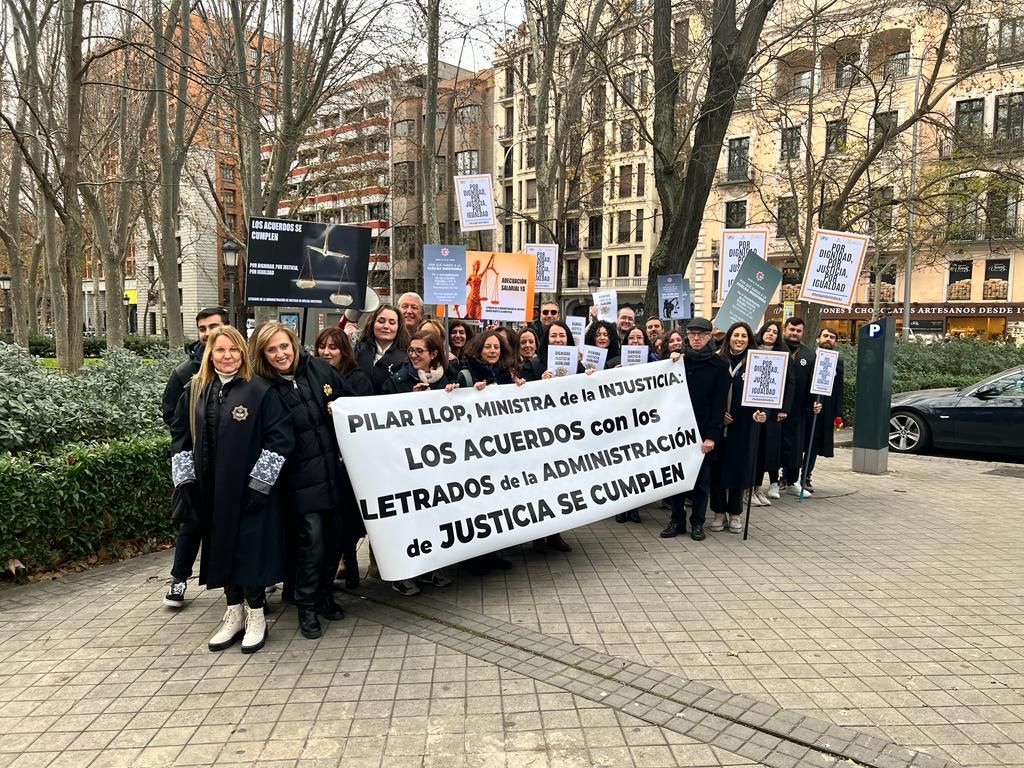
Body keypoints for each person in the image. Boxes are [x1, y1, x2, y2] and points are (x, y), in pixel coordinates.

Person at [170, 326, 294, 653]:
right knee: (221, 549)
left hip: (251, 492)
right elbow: (180, 437)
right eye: (220, 350)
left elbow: (280, 441)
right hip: (211, 492)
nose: (227, 356)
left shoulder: (261, 391)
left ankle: (256, 615)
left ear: (243, 353)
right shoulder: (195, 390)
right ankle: (233, 611)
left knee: (249, 552)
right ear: (210, 353)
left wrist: (260, 484)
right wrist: (184, 480)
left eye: (234, 350)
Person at [251, 323, 352, 639]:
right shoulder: (261, 389)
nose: (281, 354)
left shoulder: (318, 370)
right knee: (312, 543)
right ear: (263, 355)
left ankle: (324, 595)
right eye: (272, 349)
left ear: (294, 345)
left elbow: (352, 400)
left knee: (336, 539)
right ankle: (306, 607)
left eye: (285, 346)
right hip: (297, 483)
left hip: (332, 475)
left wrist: (341, 408)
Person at [162, 307, 228, 609]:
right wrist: (184, 467)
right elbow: (172, 420)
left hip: (229, 466)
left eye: (213, 326)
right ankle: (178, 580)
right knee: (191, 524)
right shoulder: (183, 374)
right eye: (202, 328)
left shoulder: (241, 365)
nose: (207, 332)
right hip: (196, 465)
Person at [380, 331, 456, 595]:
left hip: (435, 463)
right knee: (408, 520)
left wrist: (453, 394)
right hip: (405, 464)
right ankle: (403, 575)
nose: (413, 355)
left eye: (419, 351)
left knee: (432, 516)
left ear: (433, 354)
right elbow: (383, 419)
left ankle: (430, 568)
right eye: (410, 350)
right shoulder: (397, 381)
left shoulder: (445, 381)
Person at [453, 330, 526, 572]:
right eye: (488, 347)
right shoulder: (465, 374)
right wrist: (463, 392)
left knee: (495, 503)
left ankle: (492, 553)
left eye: (497, 347)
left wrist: (520, 389)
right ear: (478, 349)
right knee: (474, 506)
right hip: (472, 453)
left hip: (499, 453)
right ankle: (471, 559)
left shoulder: (507, 376)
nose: (493, 351)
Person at [661, 317, 729, 542]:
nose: (696, 338)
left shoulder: (719, 366)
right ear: (687, 336)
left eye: (701, 334)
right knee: (676, 480)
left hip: (702, 432)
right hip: (676, 431)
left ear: (710, 336)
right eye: (692, 334)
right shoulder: (678, 361)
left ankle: (697, 522)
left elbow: (719, 405)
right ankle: (676, 520)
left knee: (701, 482)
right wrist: (669, 361)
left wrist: (711, 436)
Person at [314, 327, 372, 588]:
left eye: (333, 347)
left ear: (344, 351)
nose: (326, 352)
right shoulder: (311, 376)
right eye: (322, 346)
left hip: (350, 462)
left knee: (347, 518)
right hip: (323, 458)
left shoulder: (357, 379)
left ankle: (349, 565)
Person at [708, 322, 768, 533]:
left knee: (738, 468)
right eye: (736, 335)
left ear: (749, 339)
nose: (739, 339)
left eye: (743, 336)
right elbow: (708, 393)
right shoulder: (717, 360)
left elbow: (764, 395)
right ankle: (718, 513)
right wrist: (717, 416)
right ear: (729, 337)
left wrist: (761, 413)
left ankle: (735, 514)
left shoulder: (757, 362)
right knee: (716, 469)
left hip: (744, 425)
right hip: (718, 424)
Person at [752, 321, 792, 504]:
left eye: (775, 332)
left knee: (766, 450)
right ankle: (748, 489)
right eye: (768, 330)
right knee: (752, 449)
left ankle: (758, 487)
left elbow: (790, 382)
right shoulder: (751, 349)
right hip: (751, 409)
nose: (771, 334)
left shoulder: (783, 355)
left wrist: (784, 408)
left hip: (773, 411)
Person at [802, 327, 842, 493]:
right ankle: (787, 476)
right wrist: (810, 402)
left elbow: (839, 389)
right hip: (805, 408)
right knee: (800, 444)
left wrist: (837, 414)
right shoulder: (809, 357)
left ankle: (806, 475)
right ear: (818, 339)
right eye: (825, 336)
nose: (828, 339)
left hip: (824, 410)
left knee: (814, 445)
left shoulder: (838, 362)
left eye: (832, 337)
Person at [780, 317, 816, 496]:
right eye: (791, 329)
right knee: (773, 446)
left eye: (798, 331)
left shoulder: (809, 354)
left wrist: (815, 403)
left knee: (795, 448)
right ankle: (773, 482)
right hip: (776, 409)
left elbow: (813, 383)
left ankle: (792, 481)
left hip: (798, 409)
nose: (794, 333)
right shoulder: (775, 349)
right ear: (784, 329)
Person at [354, 304, 410, 394]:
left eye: (392, 323)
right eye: (381, 321)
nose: (386, 326)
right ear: (372, 323)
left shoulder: (407, 356)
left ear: (399, 326)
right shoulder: (357, 350)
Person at [521, 320, 585, 382]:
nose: (558, 340)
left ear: (568, 339)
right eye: (553, 336)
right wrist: (540, 383)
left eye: (562, 335)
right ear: (547, 339)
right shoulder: (531, 366)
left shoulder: (577, 364)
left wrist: (589, 375)